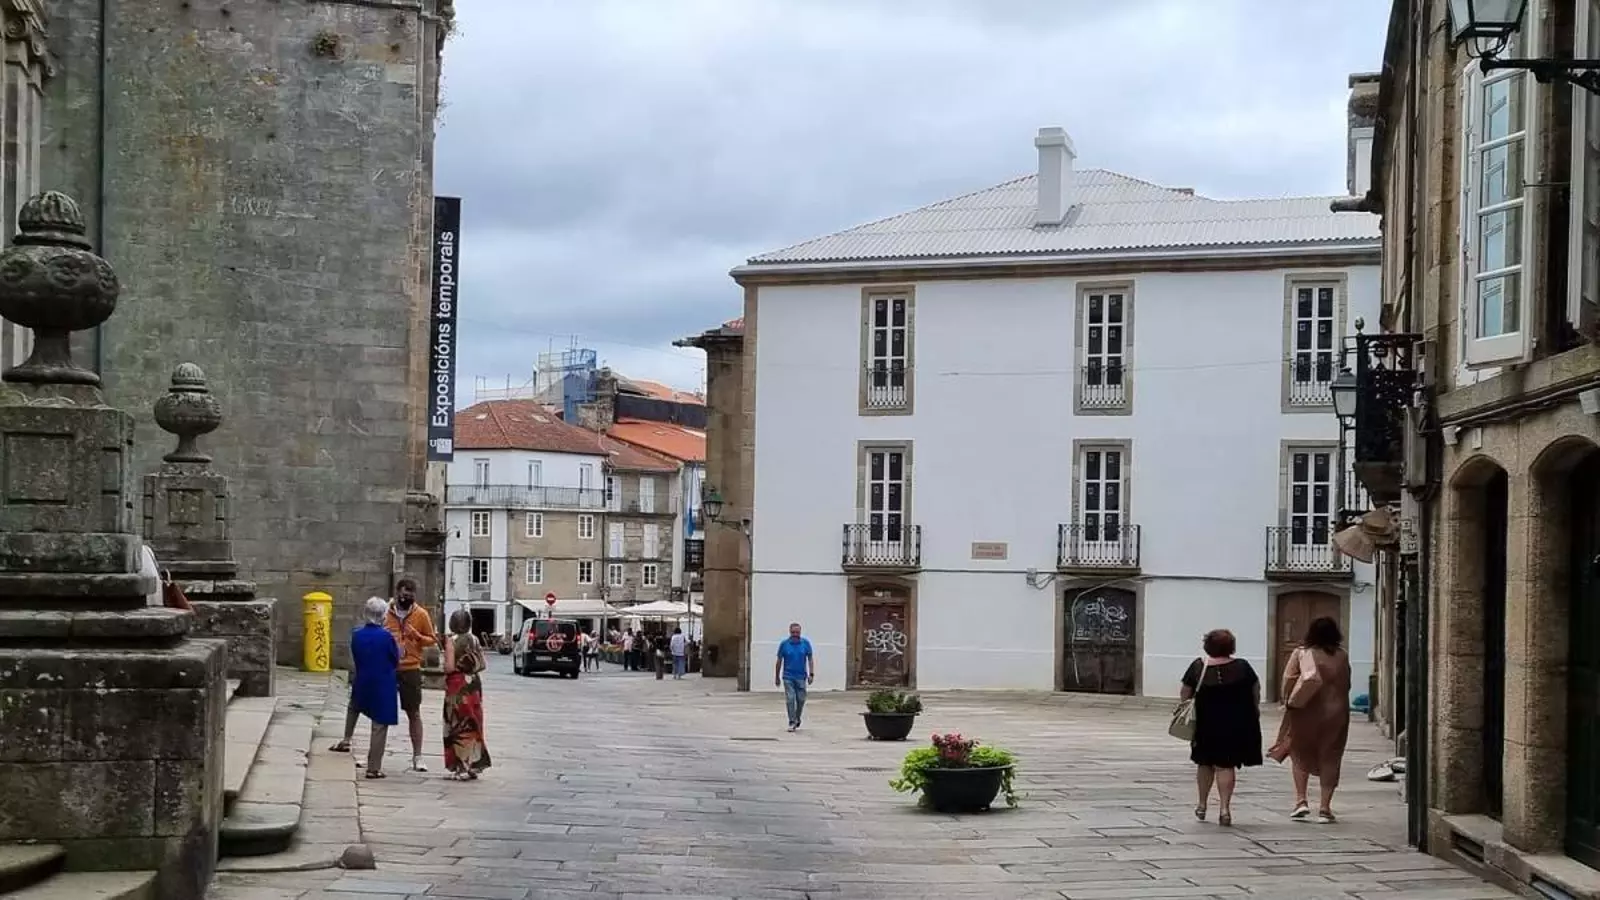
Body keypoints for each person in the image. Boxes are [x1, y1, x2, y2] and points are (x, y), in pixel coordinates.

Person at [1179, 628, 1262, 827]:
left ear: (1207, 646)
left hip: (1205, 724)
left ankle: (1202, 805)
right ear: (1231, 647)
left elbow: (1185, 693)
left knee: (1204, 764)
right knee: (1226, 765)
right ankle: (1224, 809)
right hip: (1234, 724)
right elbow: (1256, 692)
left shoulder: (1198, 667)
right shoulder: (1243, 667)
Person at [1278, 616, 1353, 823]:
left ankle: (1301, 801)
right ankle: (1325, 807)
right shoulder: (1341, 655)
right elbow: (1347, 683)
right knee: (1331, 756)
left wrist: (1287, 700)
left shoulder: (1301, 653)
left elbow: (1288, 679)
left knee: (1299, 753)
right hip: (1336, 713)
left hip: (1305, 710)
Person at [384, 576, 436, 773]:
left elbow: (432, 639)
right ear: (397, 593)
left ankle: (418, 756)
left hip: (411, 667)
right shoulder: (385, 612)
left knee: (414, 712)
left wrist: (417, 636)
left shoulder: (421, 614)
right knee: (381, 712)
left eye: (411, 596)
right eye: (404, 595)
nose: (406, 599)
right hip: (388, 667)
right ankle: (376, 753)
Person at [346, 597, 400, 778]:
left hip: (362, 679)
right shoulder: (387, 637)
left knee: (355, 707)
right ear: (383, 616)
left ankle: (347, 738)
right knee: (379, 725)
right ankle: (373, 767)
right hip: (383, 683)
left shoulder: (357, 634)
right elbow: (395, 659)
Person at [442, 608, 492, 781]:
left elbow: (449, 667)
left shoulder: (451, 641)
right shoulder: (475, 639)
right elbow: (483, 664)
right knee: (473, 721)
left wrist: (446, 666)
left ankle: (461, 767)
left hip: (457, 685)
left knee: (459, 724)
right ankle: (473, 765)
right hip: (473, 684)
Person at [774, 622, 814, 732]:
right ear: (790, 632)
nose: (795, 634)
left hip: (801, 677)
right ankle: (792, 721)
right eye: (793, 632)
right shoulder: (784, 644)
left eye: (797, 632)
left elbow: (810, 659)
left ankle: (797, 717)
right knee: (790, 699)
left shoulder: (805, 644)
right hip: (788, 676)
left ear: (800, 632)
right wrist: (777, 676)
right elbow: (779, 661)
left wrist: (811, 674)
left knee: (801, 699)